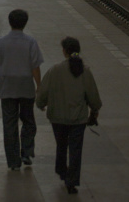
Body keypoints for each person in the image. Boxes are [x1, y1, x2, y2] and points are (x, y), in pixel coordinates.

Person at [36, 37, 102, 195]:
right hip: (78, 119)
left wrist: (40, 103)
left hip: (57, 117)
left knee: (61, 144)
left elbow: (43, 91)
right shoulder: (85, 71)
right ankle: (71, 182)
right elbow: (93, 96)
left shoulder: (55, 70)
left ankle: (61, 170)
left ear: (64, 51)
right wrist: (95, 109)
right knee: (75, 149)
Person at [0, 9, 43, 170]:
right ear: (25, 23)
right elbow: (35, 66)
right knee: (29, 121)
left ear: (10, 22)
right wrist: (39, 85)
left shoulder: (1, 43)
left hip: (8, 87)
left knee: (9, 124)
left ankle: (13, 161)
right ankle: (26, 151)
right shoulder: (31, 42)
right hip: (26, 87)